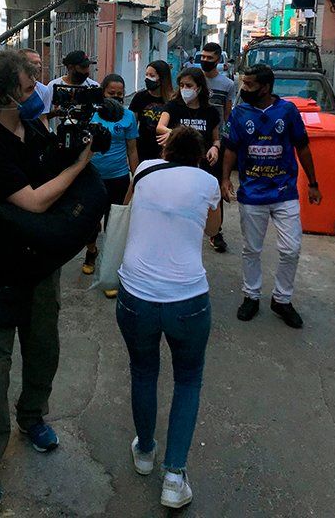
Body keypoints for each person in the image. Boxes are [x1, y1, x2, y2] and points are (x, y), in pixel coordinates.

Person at [0, 48, 93, 508]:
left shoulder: (33, 126)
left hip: (39, 266)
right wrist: (78, 168)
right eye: (28, 82)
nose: (36, 88)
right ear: (7, 94)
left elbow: (49, 173)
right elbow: (34, 201)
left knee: (43, 350)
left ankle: (33, 416)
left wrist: (70, 150)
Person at [117, 126, 221, 510]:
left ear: (167, 152)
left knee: (143, 371)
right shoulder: (207, 182)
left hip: (135, 294)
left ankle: (145, 452)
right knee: (188, 379)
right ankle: (174, 477)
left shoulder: (145, 169)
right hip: (188, 299)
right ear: (198, 155)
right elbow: (214, 229)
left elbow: (127, 208)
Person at [221, 64, 322, 329]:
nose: (244, 89)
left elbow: (303, 147)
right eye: (243, 83)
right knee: (251, 249)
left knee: (291, 248)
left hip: (284, 192)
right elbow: (231, 148)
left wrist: (313, 183)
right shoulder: (240, 113)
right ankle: (251, 296)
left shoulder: (287, 111)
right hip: (252, 194)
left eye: (250, 85)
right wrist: (224, 179)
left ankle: (282, 299)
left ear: (266, 87)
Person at [83, 74, 139, 292]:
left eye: (119, 94)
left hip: (118, 178)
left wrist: (137, 177)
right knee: (90, 221)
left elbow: (132, 149)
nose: (116, 97)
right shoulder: (92, 114)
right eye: (111, 93)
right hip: (91, 177)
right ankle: (91, 251)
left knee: (114, 224)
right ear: (102, 93)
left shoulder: (128, 117)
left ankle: (109, 270)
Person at [200, 42, 237, 253]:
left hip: (215, 142)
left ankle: (216, 232)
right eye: (202, 57)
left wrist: (223, 141)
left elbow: (228, 114)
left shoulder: (227, 84)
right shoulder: (194, 79)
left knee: (214, 186)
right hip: (192, 140)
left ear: (218, 59)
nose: (205, 61)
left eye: (209, 58)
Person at [156, 67, 222, 178]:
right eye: (181, 85)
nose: (184, 89)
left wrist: (215, 148)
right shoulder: (172, 106)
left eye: (189, 86)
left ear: (199, 88)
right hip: (176, 166)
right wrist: (174, 134)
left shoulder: (211, 112)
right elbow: (160, 127)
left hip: (202, 166)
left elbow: (216, 139)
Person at [129, 60, 174, 163]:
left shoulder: (173, 100)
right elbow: (132, 125)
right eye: (146, 75)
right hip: (143, 150)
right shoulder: (140, 97)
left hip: (165, 150)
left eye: (152, 75)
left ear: (162, 78)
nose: (147, 78)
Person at [43, 49, 99, 114]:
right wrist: (56, 112)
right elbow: (43, 115)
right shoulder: (54, 85)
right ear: (70, 67)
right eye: (83, 67)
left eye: (88, 67)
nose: (87, 71)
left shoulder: (93, 85)